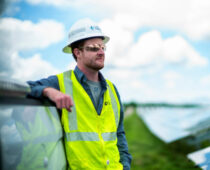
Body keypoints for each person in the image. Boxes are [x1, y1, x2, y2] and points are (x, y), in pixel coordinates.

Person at [27, 18, 132, 170]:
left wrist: (125, 166)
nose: (101, 52)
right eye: (94, 48)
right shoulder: (60, 83)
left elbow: (119, 134)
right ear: (78, 52)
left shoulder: (112, 88)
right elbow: (26, 88)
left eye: (102, 47)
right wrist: (48, 91)